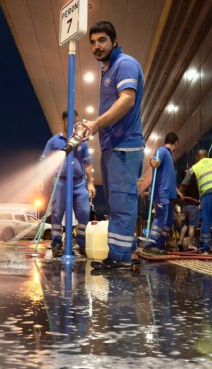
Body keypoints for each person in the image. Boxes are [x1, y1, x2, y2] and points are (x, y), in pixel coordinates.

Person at [80, 21, 145, 270]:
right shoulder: (106, 70)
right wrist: (93, 125)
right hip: (112, 146)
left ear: (114, 41)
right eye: (93, 42)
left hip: (124, 146)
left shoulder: (124, 64)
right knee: (116, 203)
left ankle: (120, 258)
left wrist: (96, 124)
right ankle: (122, 253)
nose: (97, 46)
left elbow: (127, 100)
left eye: (102, 40)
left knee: (122, 202)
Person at [40, 110, 95, 258]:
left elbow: (88, 164)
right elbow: (44, 161)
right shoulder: (54, 141)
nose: (71, 124)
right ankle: (57, 244)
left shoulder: (82, 142)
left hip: (79, 183)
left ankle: (81, 243)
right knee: (57, 214)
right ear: (62, 122)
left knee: (84, 212)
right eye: (68, 120)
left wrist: (91, 183)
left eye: (74, 121)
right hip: (60, 182)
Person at [140, 132, 180, 255]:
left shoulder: (169, 156)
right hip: (161, 192)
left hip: (169, 194)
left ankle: (160, 244)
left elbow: (169, 178)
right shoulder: (162, 151)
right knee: (160, 217)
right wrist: (153, 162)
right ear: (176, 143)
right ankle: (150, 244)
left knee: (168, 222)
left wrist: (177, 192)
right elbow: (154, 160)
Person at [178, 169, 200, 251]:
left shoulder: (184, 185)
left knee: (186, 225)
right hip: (192, 206)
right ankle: (190, 245)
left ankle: (180, 242)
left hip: (185, 207)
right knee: (192, 226)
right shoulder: (193, 182)